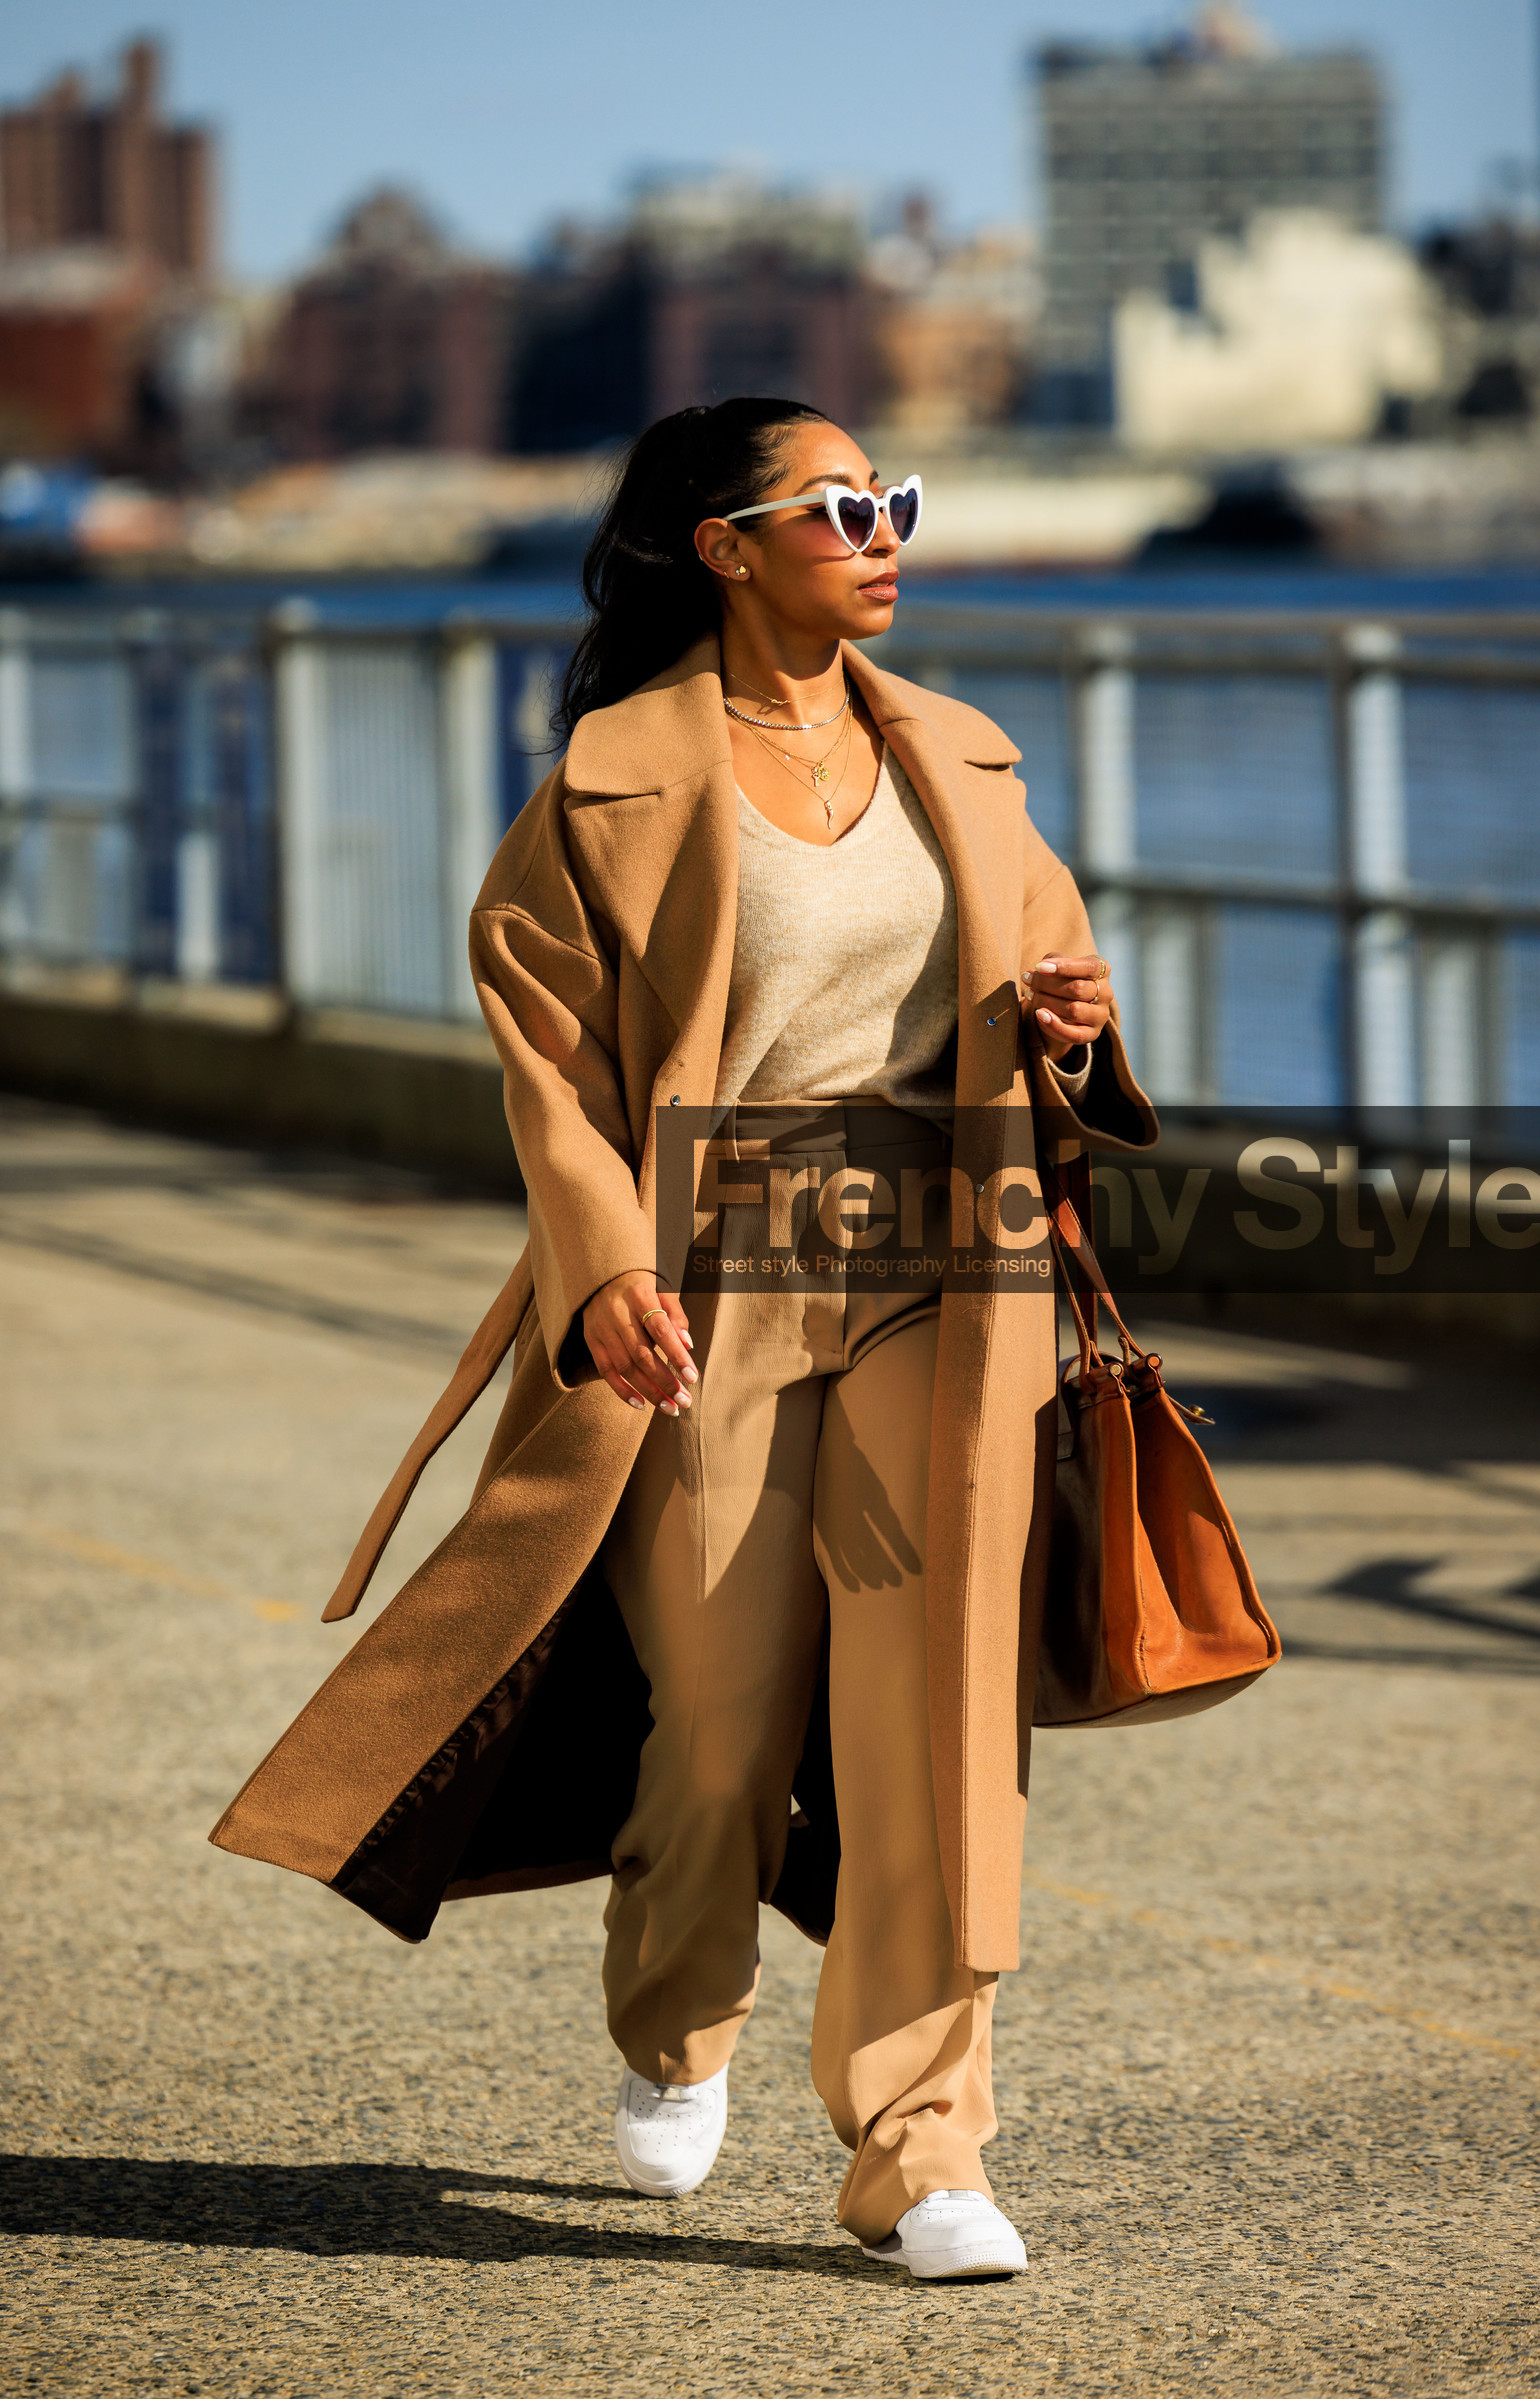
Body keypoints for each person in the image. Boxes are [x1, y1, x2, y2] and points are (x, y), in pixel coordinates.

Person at [211, 396, 1156, 2284]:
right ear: (725, 548)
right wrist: (600, 1269)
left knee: (935, 1718)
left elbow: (1054, 1005)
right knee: (719, 1716)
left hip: (943, 1269)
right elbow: (552, 1070)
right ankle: (676, 2006)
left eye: (894, 501)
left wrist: (1068, 1023)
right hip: (707, 1282)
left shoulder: (964, 759)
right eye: (839, 507)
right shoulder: (610, 785)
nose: (883, 534)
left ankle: (923, 2147)